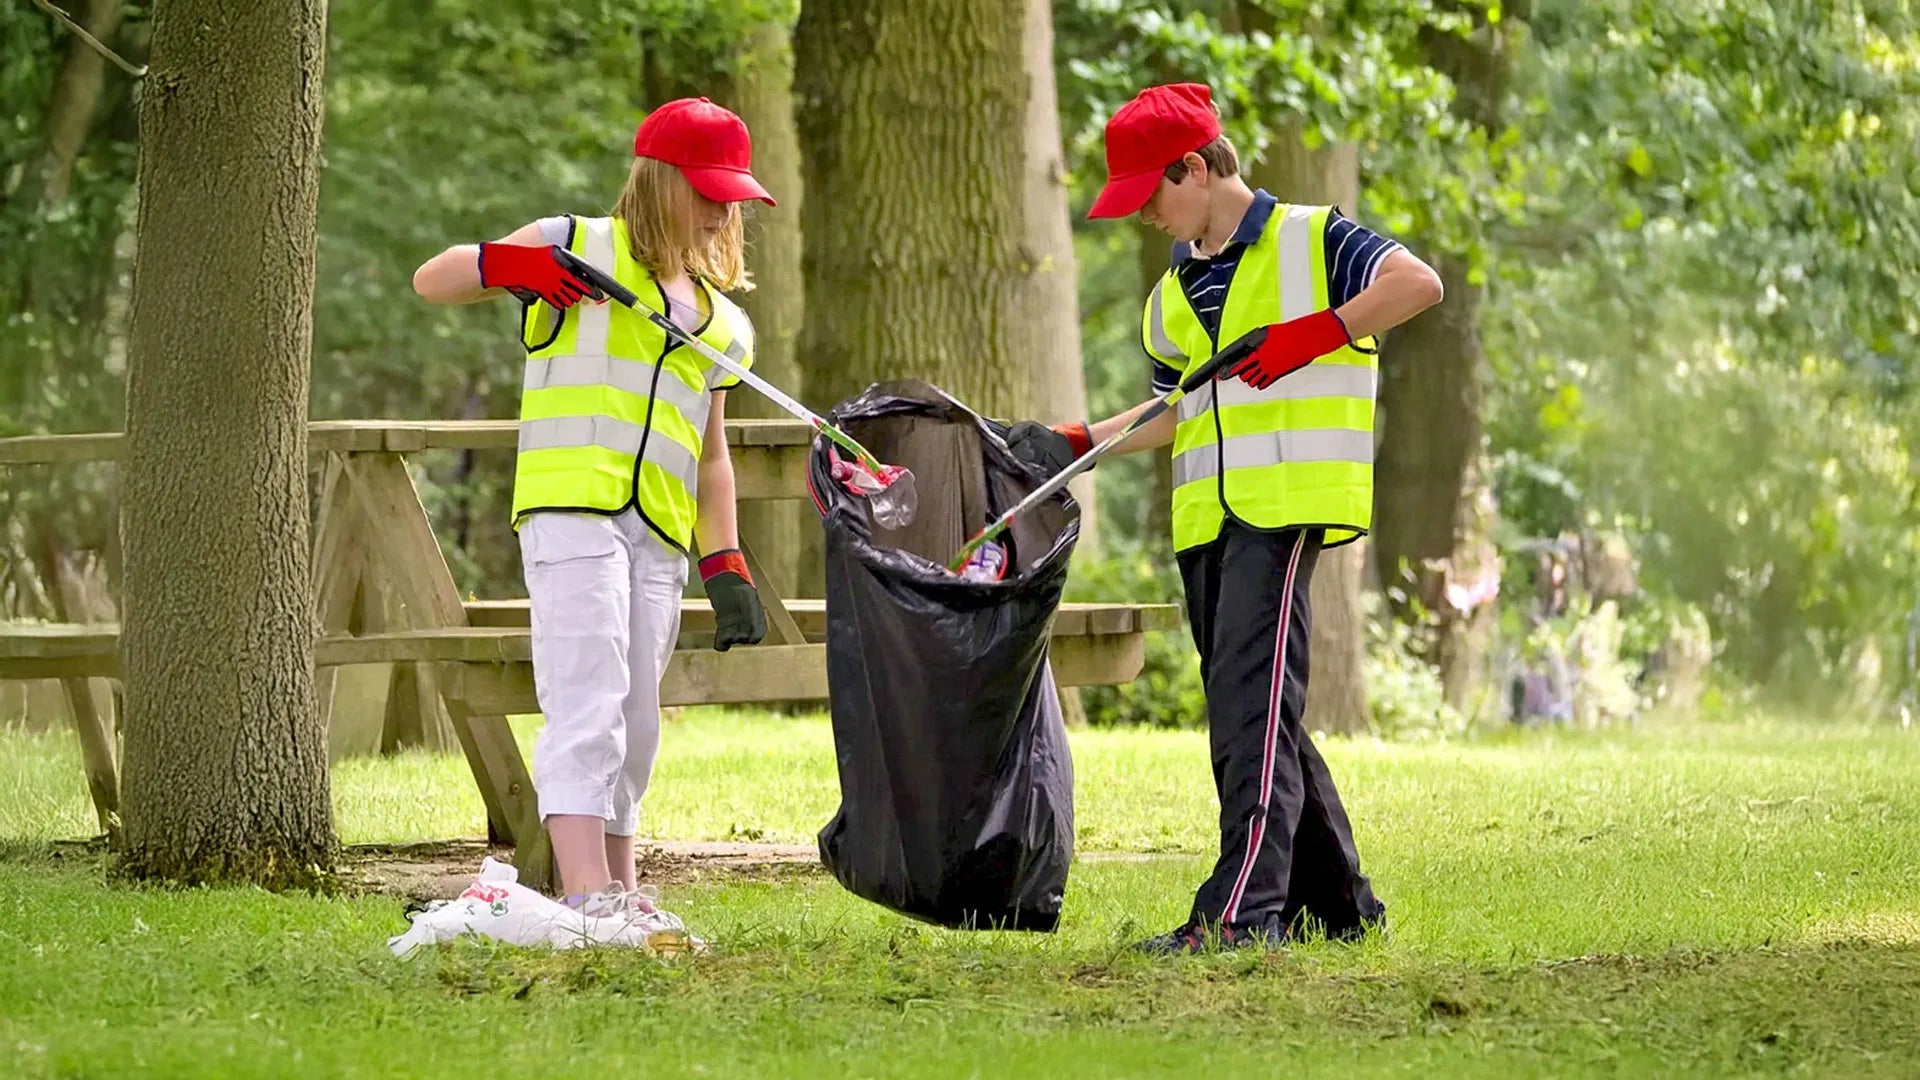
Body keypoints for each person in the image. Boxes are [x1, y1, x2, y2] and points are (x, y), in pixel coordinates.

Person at [1006, 83, 1444, 954]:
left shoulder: (1315, 239)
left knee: (1249, 711)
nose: (1147, 219)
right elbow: (1181, 409)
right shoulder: (1175, 291)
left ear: (1198, 168)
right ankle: (1344, 908)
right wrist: (1077, 441)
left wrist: (1314, 333)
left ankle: (1241, 916)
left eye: (1152, 196)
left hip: (1285, 513)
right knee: (1257, 709)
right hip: (1206, 520)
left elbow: (1418, 284)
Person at [411, 97, 772, 935]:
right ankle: (583, 896)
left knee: (638, 714)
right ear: (661, 180)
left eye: (733, 197)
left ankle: (620, 887)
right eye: (709, 190)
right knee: (589, 693)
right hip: (571, 507)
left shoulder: (725, 324)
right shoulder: (573, 247)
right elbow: (435, 278)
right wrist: (516, 269)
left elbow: (712, 454)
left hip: (659, 532)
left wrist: (726, 562)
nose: (723, 210)